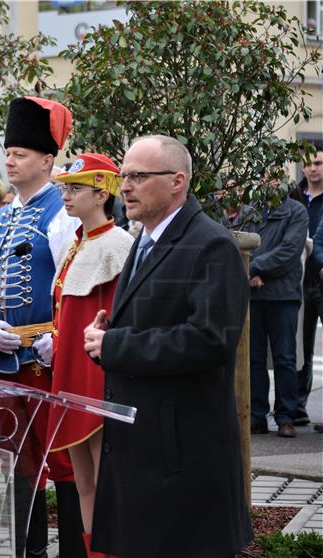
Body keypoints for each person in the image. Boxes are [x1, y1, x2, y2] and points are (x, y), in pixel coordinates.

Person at [83, 135, 252, 557]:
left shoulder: (211, 244)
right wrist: (109, 331)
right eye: (124, 176)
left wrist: (116, 345)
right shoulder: (143, 238)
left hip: (182, 455)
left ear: (177, 181)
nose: (125, 186)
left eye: (138, 176)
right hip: (141, 448)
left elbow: (210, 340)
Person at [0, 96, 82, 558]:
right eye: (8, 152)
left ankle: (76, 550)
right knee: (15, 460)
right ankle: (28, 551)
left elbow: (75, 283)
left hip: (47, 358)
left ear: (47, 160)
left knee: (64, 459)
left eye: (20, 153)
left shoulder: (62, 214)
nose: (10, 160)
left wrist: (59, 338)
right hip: (3, 360)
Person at [33, 154, 133, 557]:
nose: (66, 196)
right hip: (69, 373)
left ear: (102, 192)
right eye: (64, 188)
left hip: (98, 377)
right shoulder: (76, 243)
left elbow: (119, 317)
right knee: (83, 480)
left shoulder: (119, 245)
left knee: (108, 481)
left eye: (75, 189)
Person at [247, 173, 308, 438]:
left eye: (275, 178)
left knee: (285, 358)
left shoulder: (296, 212)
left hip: (283, 295)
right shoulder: (252, 212)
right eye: (264, 178)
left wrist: (254, 268)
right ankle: (257, 416)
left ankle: (286, 417)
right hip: (253, 295)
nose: (269, 182)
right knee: (254, 359)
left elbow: (289, 251)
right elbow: (244, 243)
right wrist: (252, 272)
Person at [296, 148, 323, 426]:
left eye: (318, 163)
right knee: (301, 347)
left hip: (321, 280)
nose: (313, 168)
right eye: (308, 164)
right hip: (300, 282)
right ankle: (299, 405)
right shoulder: (296, 197)